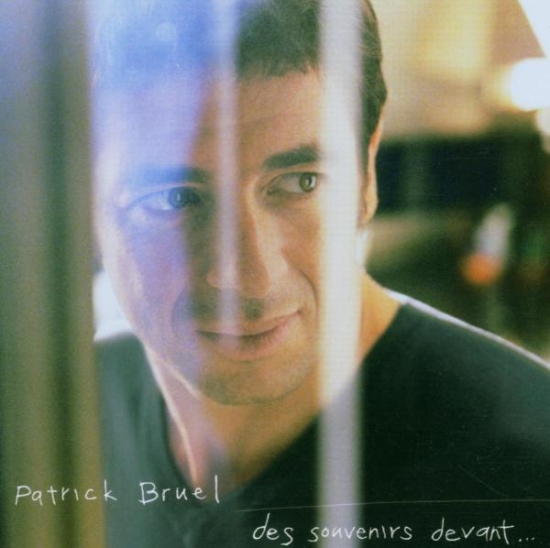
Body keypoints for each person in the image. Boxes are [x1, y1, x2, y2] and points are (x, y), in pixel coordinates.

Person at [93, 1, 550, 546]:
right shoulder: (58, 417)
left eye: (303, 182)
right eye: (173, 198)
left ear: (367, 170)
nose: (252, 277)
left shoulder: (528, 471)